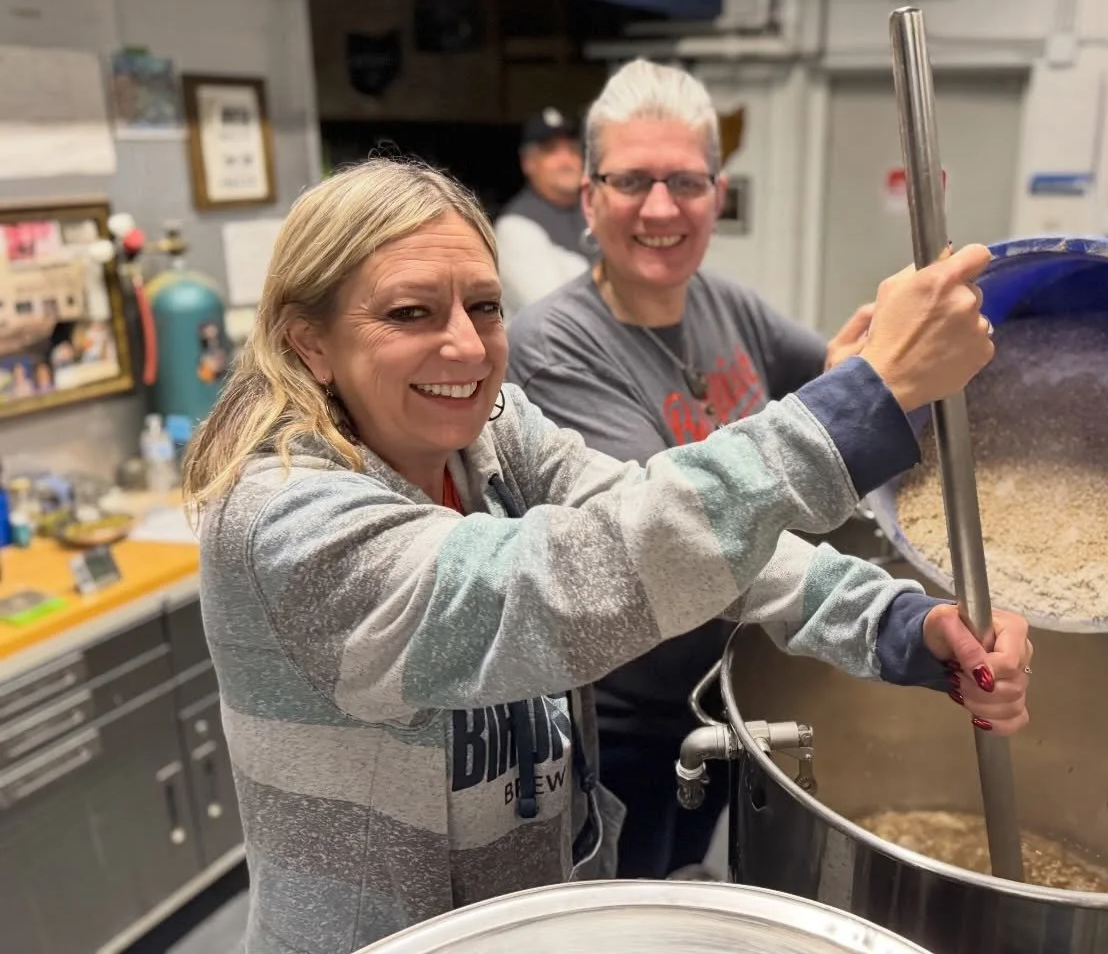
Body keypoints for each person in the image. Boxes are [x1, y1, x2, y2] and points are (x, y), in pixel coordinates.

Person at [182, 157, 1031, 954]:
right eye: (410, 313)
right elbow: (549, 587)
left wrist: (891, 622)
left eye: (483, 306)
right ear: (311, 343)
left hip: (534, 916)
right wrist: (857, 404)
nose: (469, 350)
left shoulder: (492, 433)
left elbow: (641, 517)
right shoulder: (281, 518)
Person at [505, 59, 881, 879]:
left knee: (690, 883)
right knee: (625, 915)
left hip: (721, 689)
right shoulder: (557, 347)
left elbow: (831, 376)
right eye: (633, 180)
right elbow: (673, 536)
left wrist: (875, 364)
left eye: (686, 181)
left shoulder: (725, 302)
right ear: (589, 195)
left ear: (718, 191)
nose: (662, 208)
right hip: (620, 722)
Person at [493, 107, 591, 313]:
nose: (566, 161)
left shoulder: (598, 212)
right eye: (551, 151)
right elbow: (555, 313)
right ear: (528, 162)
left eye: (573, 150)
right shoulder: (515, 226)